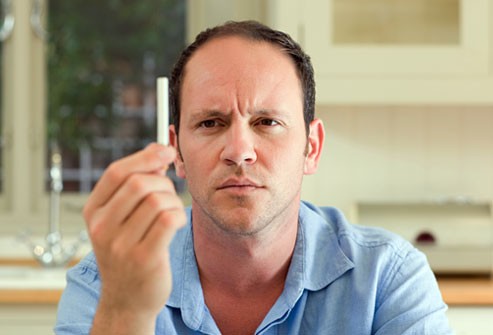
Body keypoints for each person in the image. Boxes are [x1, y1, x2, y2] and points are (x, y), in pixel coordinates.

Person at [55, 21, 452, 335]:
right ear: (176, 150)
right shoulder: (106, 284)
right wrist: (128, 311)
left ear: (311, 147)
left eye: (267, 122)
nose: (238, 150)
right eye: (211, 122)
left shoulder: (389, 279)